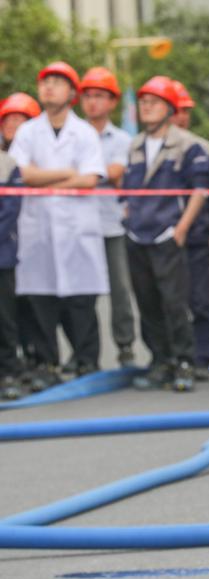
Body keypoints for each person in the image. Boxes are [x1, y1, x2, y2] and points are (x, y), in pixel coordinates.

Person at [8, 62, 108, 391]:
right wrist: (66, 174)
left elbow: (90, 178)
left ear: (72, 93)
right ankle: (46, 362)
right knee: (40, 299)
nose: (49, 87)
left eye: (57, 82)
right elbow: (24, 175)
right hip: (38, 231)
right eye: (45, 82)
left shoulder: (84, 133)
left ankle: (86, 361)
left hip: (77, 229)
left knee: (81, 301)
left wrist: (45, 176)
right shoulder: (27, 132)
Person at [121, 76, 209, 392]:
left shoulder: (187, 145)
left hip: (167, 235)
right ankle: (160, 361)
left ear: (170, 108)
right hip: (137, 236)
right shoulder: (134, 145)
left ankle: (184, 361)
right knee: (147, 303)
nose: (146, 107)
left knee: (174, 302)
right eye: (143, 102)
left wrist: (182, 228)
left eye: (154, 102)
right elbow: (128, 189)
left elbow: (200, 190)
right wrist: (126, 215)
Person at [79, 67, 137, 369]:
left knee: (119, 290)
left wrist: (83, 174)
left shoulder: (122, 139)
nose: (92, 102)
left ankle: (125, 346)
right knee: (81, 293)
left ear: (112, 102)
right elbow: (101, 174)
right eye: (88, 96)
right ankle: (85, 355)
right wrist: (87, 175)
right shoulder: (75, 134)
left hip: (112, 224)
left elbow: (113, 172)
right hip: (79, 225)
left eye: (100, 96)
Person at [170, 79, 209, 381]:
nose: (181, 117)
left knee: (199, 299)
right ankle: (174, 356)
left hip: (196, 238)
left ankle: (202, 355)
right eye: (177, 110)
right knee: (169, 300)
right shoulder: (155, 148)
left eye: (185, 111)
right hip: (162, 240)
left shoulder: (202, 148)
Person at [0, 150, 23, 399]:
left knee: (4, 318)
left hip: (1, 255)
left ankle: (8, 373)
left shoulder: (6, 164)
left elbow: (10, 209)